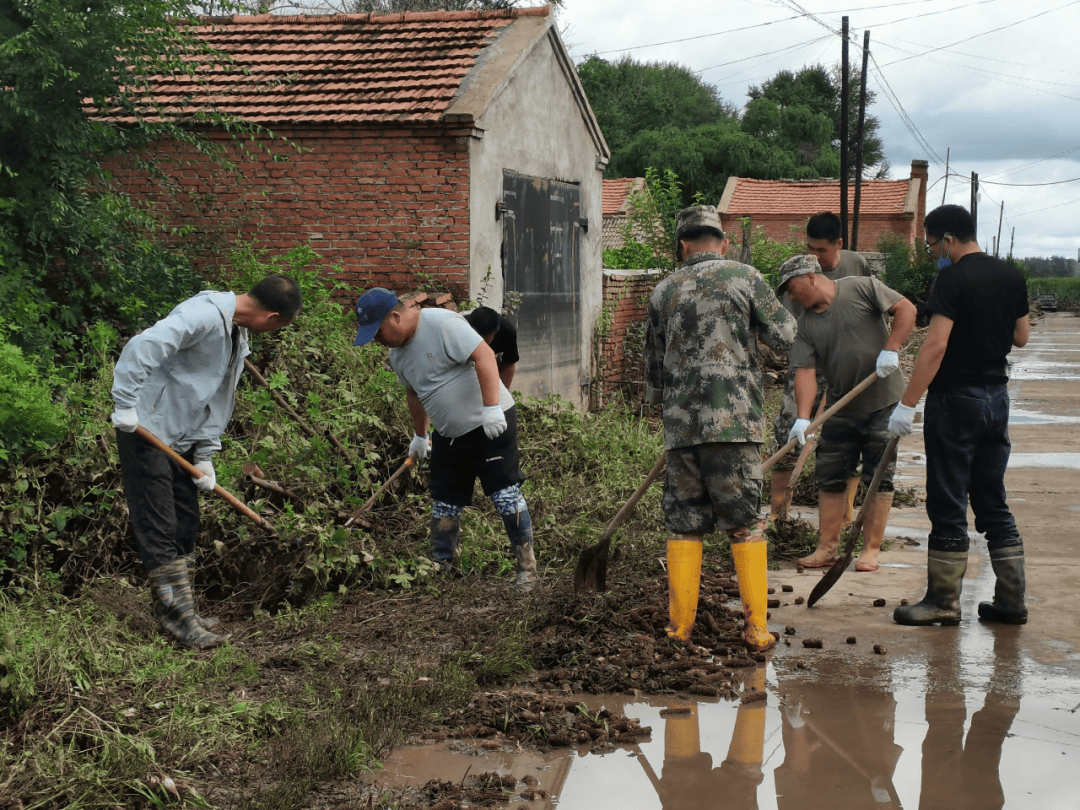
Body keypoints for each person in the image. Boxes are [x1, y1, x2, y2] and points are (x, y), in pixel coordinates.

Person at [111, 275, 303, 649]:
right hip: (146, 430)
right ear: (272, 316)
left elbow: (216, 399)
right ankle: (177, 621)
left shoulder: (237, 332)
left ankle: (187, 610)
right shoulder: (202, 315)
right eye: (279, 327)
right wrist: (124, 403)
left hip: (182, 439)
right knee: (159, 525)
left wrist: (204, 457)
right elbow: (143, 345)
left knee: (186, 521)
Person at [645, 205, 796, 652]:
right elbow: (786, 337)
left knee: (685, 525)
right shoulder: (745, 278)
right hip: (735, 426)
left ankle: (680, 629)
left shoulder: (662, 291)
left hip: (681, 432)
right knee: (746, 524)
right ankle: (755, 630)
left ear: (682, 245)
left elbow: (653, 370)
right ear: (723, 241)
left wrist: (669, 411)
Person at [887, 204, 1029, 626]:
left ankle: (944, 602)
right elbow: (1021, 337)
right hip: (996, 399)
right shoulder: (1011, 275)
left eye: (932, 245)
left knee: (948, 498)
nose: (933, 253)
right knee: (991, 498)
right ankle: (1011, 599)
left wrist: (906, 404)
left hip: (956, 401)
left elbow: (935, 346)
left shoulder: (951, 277)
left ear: (947, 239)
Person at [353, 289, 538, 591]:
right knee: (445, 504)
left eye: (378, 333)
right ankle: (440, 568)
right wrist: (420, 435)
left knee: (505, 496)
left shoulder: (441, 323)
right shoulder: (396, 354)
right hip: (449, 436)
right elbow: (414, 392)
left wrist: (491, 407)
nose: (378, 341)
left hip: (490, 425)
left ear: (395, 317)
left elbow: (484, 356)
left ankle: (527, 571)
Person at [779, 254, 916, 571]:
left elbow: (906, 309)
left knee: (878, 474)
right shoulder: (806, 324)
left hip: (883, 403)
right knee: (830, 473)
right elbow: (805, 371)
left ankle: (870, 549)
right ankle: (827, 548)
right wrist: (803, 417)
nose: (791, 296)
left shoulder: (861, 287)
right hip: (841, 407)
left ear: (811, 277)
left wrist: (892, 347)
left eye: (792, 287)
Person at [769, 212, 873, 522]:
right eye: (810, 248)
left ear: (838, 244)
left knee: (848, 439)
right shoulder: (796, 271)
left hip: (848, 367)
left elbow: (870, 311)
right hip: (807, 361)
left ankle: (845, 515)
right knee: (789, 432)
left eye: (821, 251)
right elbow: (793, 329)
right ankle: (778, 514)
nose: (813, 256)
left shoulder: (857, 266)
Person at [464, 306, 519, 390]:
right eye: (478, 338)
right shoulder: (460, 327)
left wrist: (502, 393)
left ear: (496, 332)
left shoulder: (507, 331)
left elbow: (509, 363)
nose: (482, 344)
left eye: (484, 340)